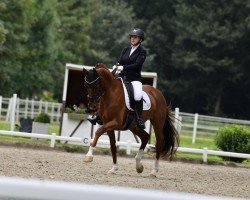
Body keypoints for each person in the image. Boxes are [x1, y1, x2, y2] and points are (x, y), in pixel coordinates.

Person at [88, 28, 147, 129]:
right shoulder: (126, 49)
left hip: (134, 79)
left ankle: (139, 119)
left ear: (140, 40)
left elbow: (137, 65)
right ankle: (98, 115)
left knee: (137, 95)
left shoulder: (142, 52)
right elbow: (119, 61)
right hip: (122, 77)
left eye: (135, 37)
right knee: (106, 90)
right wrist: (117, 66)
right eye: (132, 37)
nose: (133, 39)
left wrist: (123, 67)